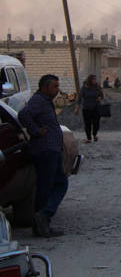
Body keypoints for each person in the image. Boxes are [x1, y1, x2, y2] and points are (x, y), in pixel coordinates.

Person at [18, 74, 68, 238]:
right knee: (53, 185)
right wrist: (37, 131)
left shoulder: (45, 102)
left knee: (51, 185)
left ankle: (41, 224)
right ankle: (44, 216)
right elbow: (23, 115)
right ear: (44, 87)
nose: (57, 89)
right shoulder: (38, 101)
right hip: (45, 150)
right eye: (54, 86)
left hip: (51, 149)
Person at [74, 74, 104, 143]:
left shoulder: (97, 87)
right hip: (86, 108)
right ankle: (89, 138)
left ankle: (94, 134)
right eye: (93, 79)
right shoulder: (84, 88)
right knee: (87, 124)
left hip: (96, 108)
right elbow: (79, 98)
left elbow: (102, 95)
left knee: (96, 123)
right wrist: (77, 108)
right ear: (90, 80)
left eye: (95, 79)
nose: (95, 81)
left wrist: (100, 98)